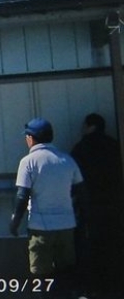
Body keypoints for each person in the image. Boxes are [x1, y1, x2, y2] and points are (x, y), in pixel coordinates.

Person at [10, 118, 86, 295]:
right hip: (67, 225)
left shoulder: (28, 161)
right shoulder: (67, 160)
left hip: (41, 227)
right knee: (66, 270)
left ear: (31, 138)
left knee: (41, 273)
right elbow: (82, 192)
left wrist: (15, 221)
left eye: (27, 137)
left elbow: (22, 196)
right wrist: (83, 220)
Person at [70, 113, 124, 295]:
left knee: (92, 247)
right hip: (115, 203)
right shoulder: (115, 145)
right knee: (114, 244)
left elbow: (74, 179)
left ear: (90, 126)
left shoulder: (81, 148)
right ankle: (115, 285)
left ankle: (95, 287)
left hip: (91, 205)